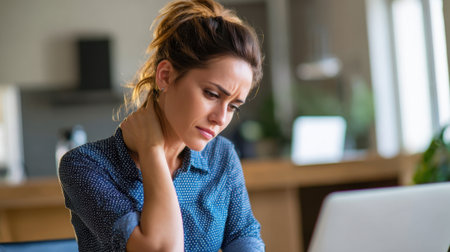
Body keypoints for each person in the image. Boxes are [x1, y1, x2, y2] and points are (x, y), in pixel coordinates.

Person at [58, 0, 264, 251]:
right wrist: (151, 149)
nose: (221, 118)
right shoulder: (87, 165)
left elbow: (245, 238)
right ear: (165, 76)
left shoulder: (221, 157)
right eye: (211, 94)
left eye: (233, 106)